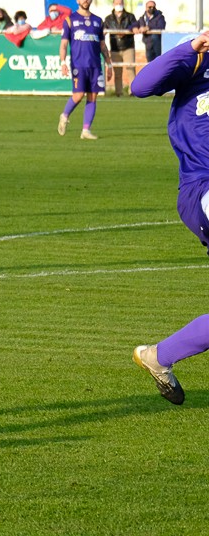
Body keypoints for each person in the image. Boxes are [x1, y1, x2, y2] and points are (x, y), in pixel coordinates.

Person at [129, 30, 209, 405]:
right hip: (202, 188)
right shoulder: (199, 61)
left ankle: (158, 356)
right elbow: (141, 86)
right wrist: (190, 48)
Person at [58, 0, 113, 140]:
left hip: (95, 65)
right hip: (78, 64)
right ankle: (64, 115)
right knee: (78, 95)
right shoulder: (70, 20)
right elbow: (63, 44)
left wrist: (109, 64)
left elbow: (102, 45)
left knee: (93, 96)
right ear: (77, 0)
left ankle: (86, 130)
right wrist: (63, 63)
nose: (85, 0)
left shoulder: (98, 21)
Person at [104, 0, 138, 97]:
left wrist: (130, 29)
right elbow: (104, 29)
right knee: (117, 72)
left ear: (123, 4)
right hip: (115, 48)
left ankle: (133, 91)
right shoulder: (108, 19)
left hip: (128, 46)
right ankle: (118, 92)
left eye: (120, 3)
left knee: (130, 70)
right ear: (113, 4)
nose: (119, 5)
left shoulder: (130, 16)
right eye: (117, 3)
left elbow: (135, 25)